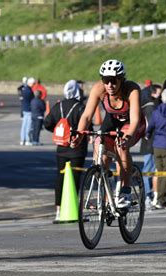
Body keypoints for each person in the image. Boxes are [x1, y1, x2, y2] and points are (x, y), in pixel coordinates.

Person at [71, 59, 145, 209]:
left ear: (122, 80)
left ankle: (125, 190)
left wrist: (128, 137)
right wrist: (79, 133)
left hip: (132, 124)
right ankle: (107, 196)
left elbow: (136, 119)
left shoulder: (131, 90)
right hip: (111, 122)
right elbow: (86, 116)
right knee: (100, 154)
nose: (110, 85)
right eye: (106, 80)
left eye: (113, 81)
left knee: (121, 146)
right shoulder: (99, 89)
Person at [44, 79, 88, 220]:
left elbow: (47, 123)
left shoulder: (58, 106)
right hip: (77, 149)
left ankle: (58, 210)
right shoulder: (80, 107)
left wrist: (59, 131)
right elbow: (87, 126)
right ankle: (74, 209)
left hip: (61, 148)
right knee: (74, 179)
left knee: (60, 178)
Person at [139, 84, 162, 208]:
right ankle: (146, 194)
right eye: (159, 92)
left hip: (151, 141)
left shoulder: (152, 106)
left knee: (152, 168)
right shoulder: (151, 107)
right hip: (150, 142)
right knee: (148, 168)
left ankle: (150, 194)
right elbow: (150, 125)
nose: (161, 95)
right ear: (153, 94)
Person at [20, 77, 35, 145]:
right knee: (29, 126)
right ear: (30, 83)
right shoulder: (29, 91)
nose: (34, 85)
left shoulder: (24, 89)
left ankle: (22, 140)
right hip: (29, 109)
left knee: (24, 126)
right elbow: (32, 100)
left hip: (24, 109)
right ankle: (27, 140)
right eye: (33, 83)